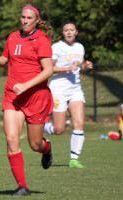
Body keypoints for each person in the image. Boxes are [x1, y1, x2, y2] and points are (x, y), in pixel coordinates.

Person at [0, 2, 53, 196]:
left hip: (36, 97)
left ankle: (46, 150)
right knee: (11, 140)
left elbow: (48, 71)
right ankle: (23, 187)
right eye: (23, 17)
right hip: (12, 97)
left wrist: (25, 85)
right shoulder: (13, 37)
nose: (25, 21)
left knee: (35, 144)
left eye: (29, 18)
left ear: (37, 20)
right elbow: (4, 61)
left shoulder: (42, 39)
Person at [43, 21, 93, 169]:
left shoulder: (80, 47)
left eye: (72, 30)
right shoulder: (57, 47)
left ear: (76, 32)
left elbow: (80, 66)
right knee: (59, 129)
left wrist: (86, 66)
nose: (69, 32)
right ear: (63, 33)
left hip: (75, 89)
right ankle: (38, 128)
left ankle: (73, 159)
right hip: (59, 90)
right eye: (66, 30)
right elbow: (48, 68)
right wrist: (66, 68)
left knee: (79, 124)